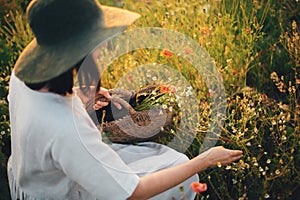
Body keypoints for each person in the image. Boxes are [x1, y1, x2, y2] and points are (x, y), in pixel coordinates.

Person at [7, 0, 243, 199]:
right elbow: (131, 193)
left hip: (35, 177)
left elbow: (43, 117)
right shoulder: (66, 128)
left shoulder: (22, 75)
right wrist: (205, 160)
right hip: (61, 192)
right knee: (187, 174)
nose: (104, 46)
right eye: (97, 39)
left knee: (176, 160)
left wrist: (79, 94)